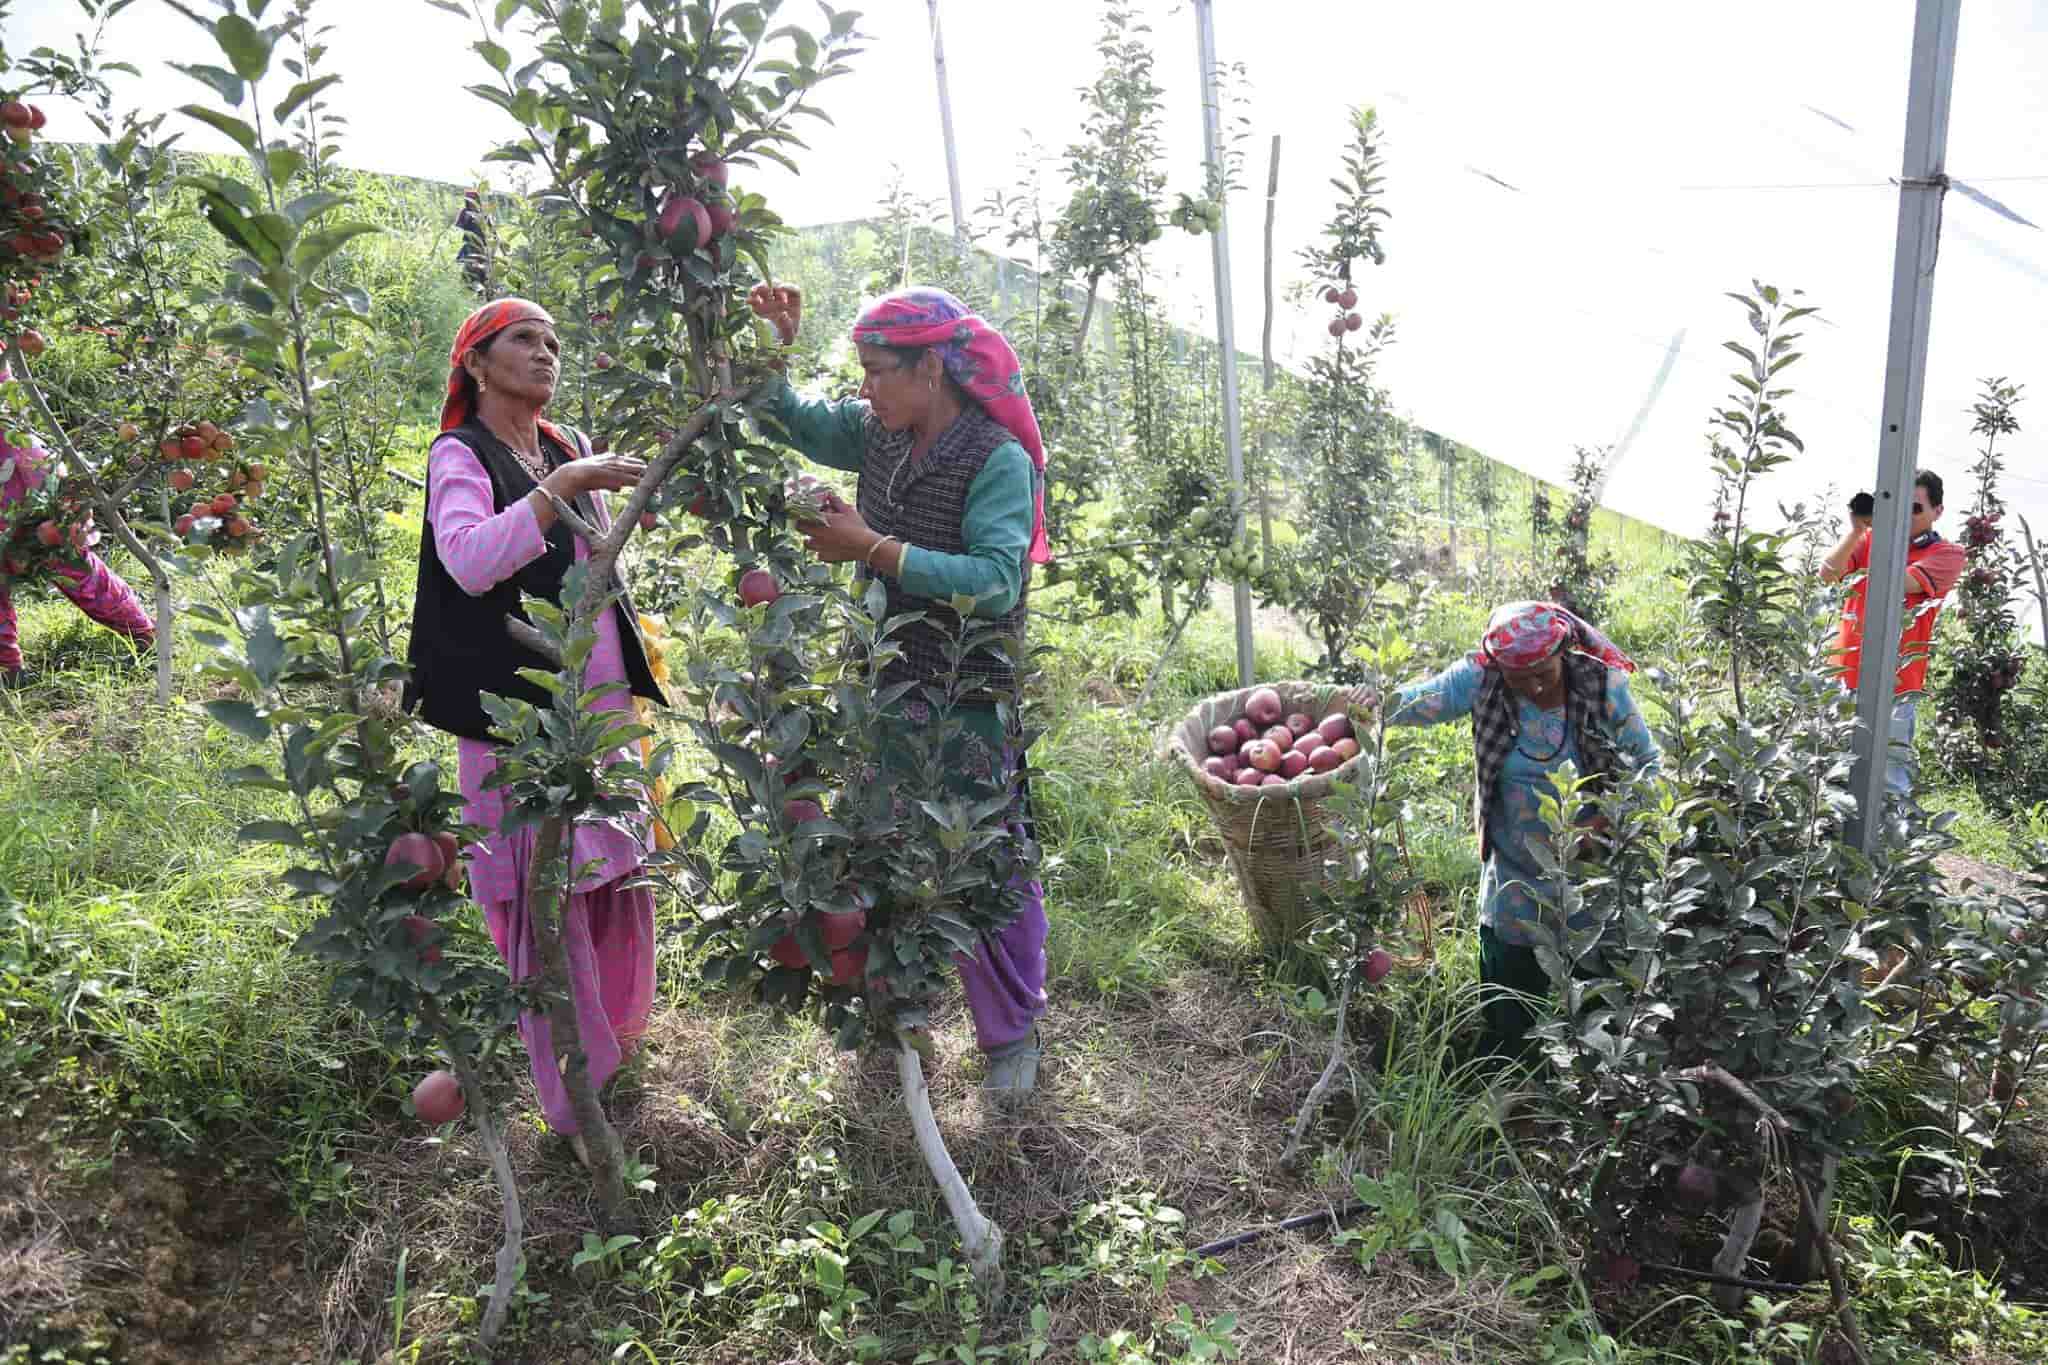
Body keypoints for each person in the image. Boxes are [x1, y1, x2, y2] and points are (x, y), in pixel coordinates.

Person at [746, 282, 1053, 1101]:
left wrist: (871, 545)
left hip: (966, 693)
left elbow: (994, 580)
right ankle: (892, 1016)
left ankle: (1011, 1032)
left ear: (932, 369)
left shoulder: (998, 460)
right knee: (879, 844)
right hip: (882, 685)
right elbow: (795, 418)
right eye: (862, 371)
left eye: (879, 370)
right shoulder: (877, 435)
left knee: (980, 859)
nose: (865, 387)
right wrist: (775, 345)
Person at [402, 298, 666, 1160]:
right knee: (541, 896)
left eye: (554, 343)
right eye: (525, 339)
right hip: (513, 708)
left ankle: (618, 1055)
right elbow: (471, 560)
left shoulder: (563, 445)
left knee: (612, 877)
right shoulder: (461, 453)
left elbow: (596, 554)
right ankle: (572, 1102)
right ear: (476, 361)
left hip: (591, 703)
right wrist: (560, 494)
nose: (546, 353)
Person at [1372, 601, 1660, 1058]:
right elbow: (1418, 702)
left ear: (1564, 653)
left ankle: (1592, 1074)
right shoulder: (1483, 677)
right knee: (1508, 983)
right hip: (1514, 865)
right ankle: (1510, 1067)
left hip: (1590, 867)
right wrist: (1358, 702)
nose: (1534, 685)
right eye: (1518, 677)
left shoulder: (1602, 686)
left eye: (1543, 672)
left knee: (1595, 977)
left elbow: (1650, 764)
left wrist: (1608, 820)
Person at [1819, 470, 1966, 800]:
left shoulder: (1948, 554)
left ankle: (1884, 850)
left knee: (1890, 785)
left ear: (1937, 512)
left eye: (1914, 508)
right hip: (1843, 676)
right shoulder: (1869, 540)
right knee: (1826, 776)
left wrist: (1879, 535)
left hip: (1896, 689)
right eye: (1897, 506)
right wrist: (1857, 530)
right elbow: (1828, 573)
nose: (1904, 516)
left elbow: (1895, 582)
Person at [1, 426, 155, 687]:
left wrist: (61, 500)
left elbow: (26, 443)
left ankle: (143, 634)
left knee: (74, 567)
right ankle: (8, 668)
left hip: (28, 504)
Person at [454, 190, 489, 292]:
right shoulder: (465, 212)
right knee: (470, 268)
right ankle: (472, 288)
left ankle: (482, 289)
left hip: (482, 245)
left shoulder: (483, 213)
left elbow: (492, 230)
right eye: (469, 201)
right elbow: (459, 226)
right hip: (470, 245)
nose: (471, 202)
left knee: (483, 269)